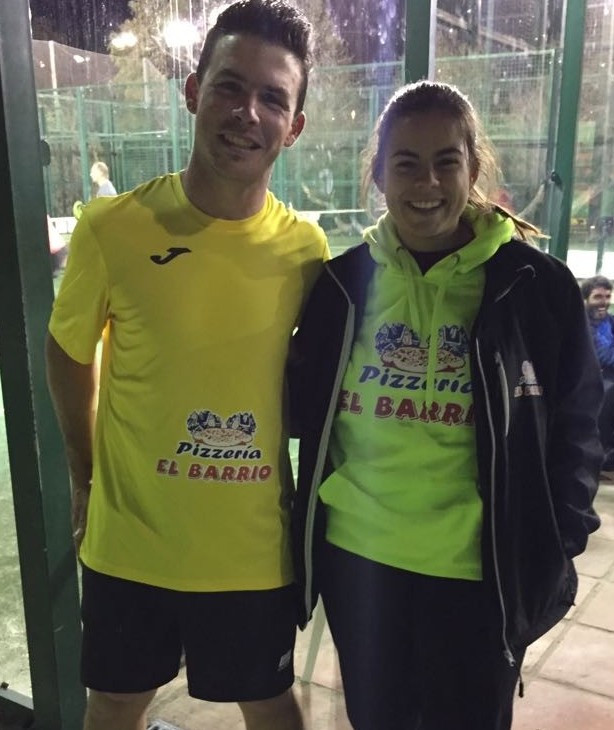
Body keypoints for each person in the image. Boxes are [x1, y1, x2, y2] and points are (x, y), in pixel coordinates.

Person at [45, 2, 328, 729]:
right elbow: (68, 352)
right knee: (114, 704)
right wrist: (84, 473)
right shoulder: (111, 229)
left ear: (294, 126)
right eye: (230, 86)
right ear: (194, 91)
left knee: (270, 704)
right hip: (129, 545)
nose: (247, 113)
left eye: (272, 98)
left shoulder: (307, 251)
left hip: (252, 553)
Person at [290, 80, 602, 730]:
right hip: (360, 566)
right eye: (405, 163)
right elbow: (302, 406)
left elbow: (577, 424)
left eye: (446, 161)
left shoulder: (535, 286)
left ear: (473, 167)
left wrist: (559, 538)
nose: (426, 182)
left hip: (478, 574)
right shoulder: (341, 285)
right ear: (379, 174)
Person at [581, 275, 614, 469]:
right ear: (586, 298)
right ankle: (601, 451)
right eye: (598, 297)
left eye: (607, 296)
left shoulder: (610, 323)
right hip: (588, 377)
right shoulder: (580, 324)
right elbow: (602, 355)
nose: (604, 302)